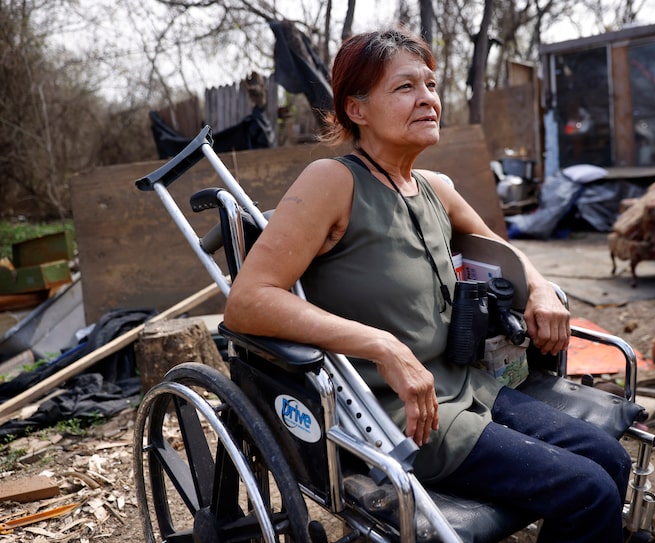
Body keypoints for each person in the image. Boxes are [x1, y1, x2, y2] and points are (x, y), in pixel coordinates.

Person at [224, 27, 631, 543]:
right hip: (399, 414)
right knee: (590, 490)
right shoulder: (332, 181)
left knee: (611, 459)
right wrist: (382, 344)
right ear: (357, 108)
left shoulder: (433, 187)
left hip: (468, 385)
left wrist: (544, 288)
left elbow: (501, 250)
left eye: (431, 85)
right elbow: (248, 301)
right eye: (405, 88)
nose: (428, 99)